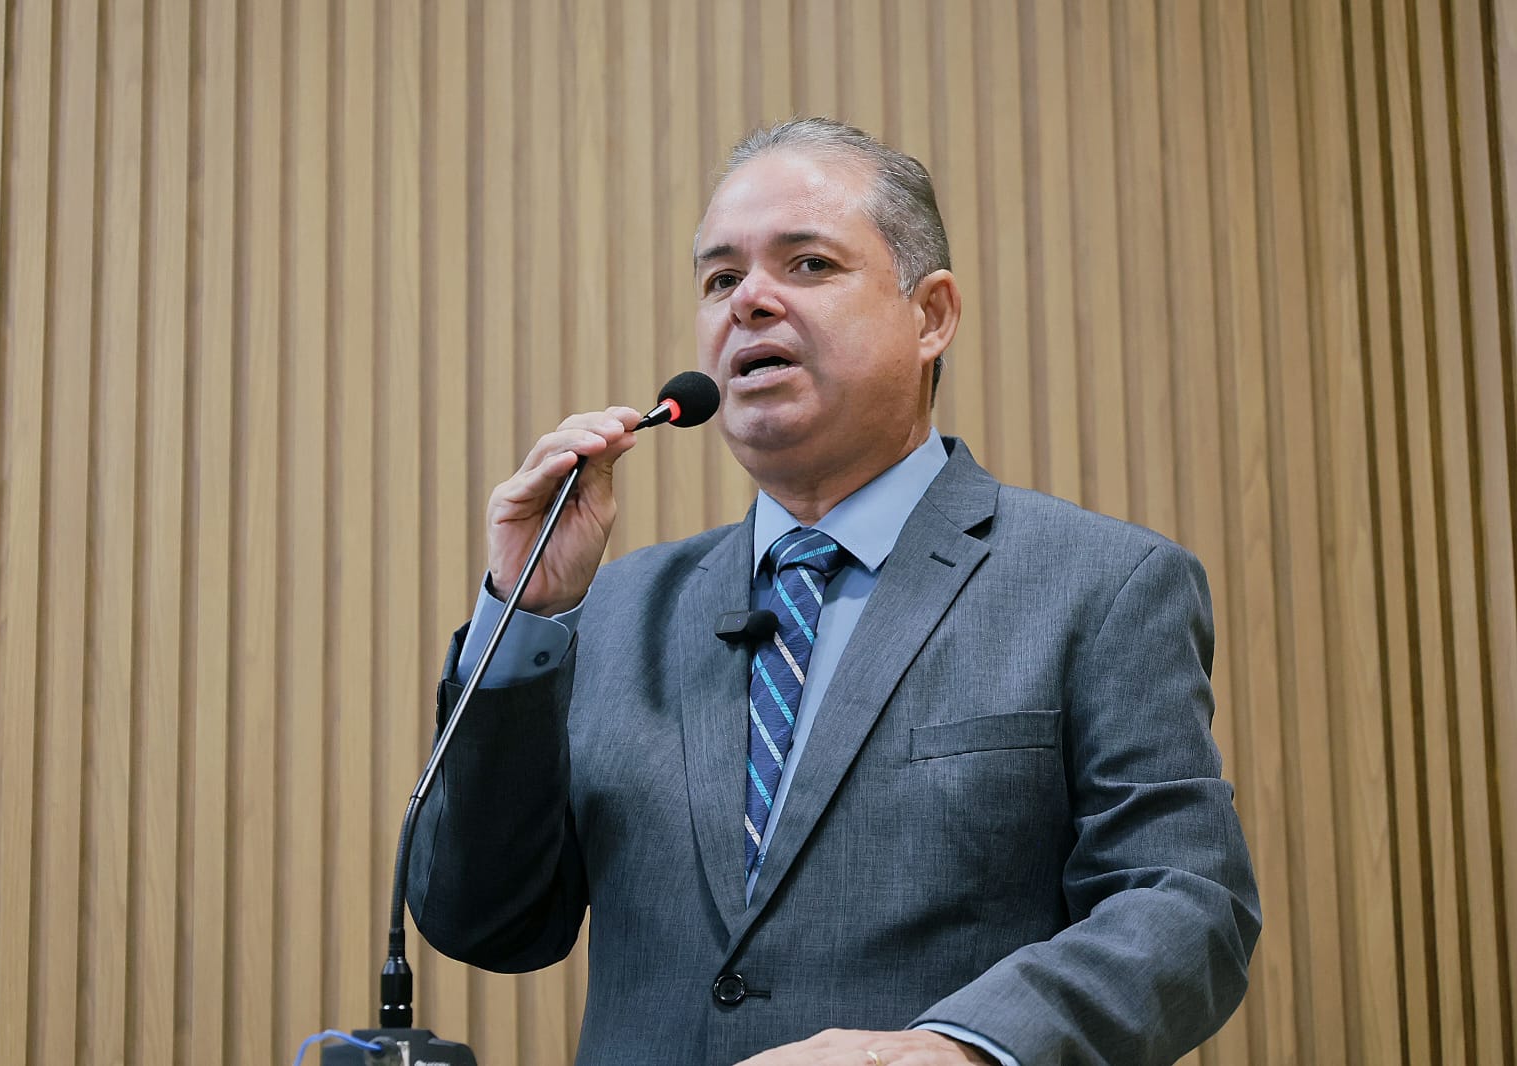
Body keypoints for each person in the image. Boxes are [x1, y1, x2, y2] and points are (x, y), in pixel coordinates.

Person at [408, 118, 1259, 1066]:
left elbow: (1185, 906)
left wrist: (956, 1050)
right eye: (721, 279)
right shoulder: (612, 612)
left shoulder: (1101, 585)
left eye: (808, 264)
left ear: (930, 316)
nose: (749, 301)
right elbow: (485, 920)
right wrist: (524, 615)